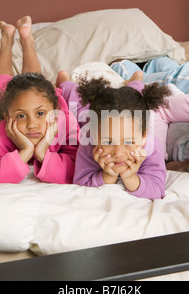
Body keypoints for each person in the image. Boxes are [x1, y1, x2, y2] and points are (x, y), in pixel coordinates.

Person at [0, 17, 79, 187]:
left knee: (35, 85)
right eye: (21, 116)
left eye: (40, 114)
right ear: (8, 118)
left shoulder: (66, 124)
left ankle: (26, 40)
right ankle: (6, 40)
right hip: (12, 100)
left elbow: (79, 170)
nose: (31, 124)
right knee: (2, 82)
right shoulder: (4, 132)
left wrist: (43, 153)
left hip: (44, 98)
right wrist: (25, 152)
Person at [58, 72, 171, 200]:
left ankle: (136, 79)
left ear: (144, 136)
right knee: (76, 104)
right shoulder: (88, 144)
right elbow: (81, 186)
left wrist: (130, 177)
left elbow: (157, 190)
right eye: (108, 142)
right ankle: (64, 80)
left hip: (123, 116)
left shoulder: (151, 147)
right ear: (94, 136)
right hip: (96, 119)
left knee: (135, 93)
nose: (118, 153)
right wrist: (107, 175)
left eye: (128, 142)